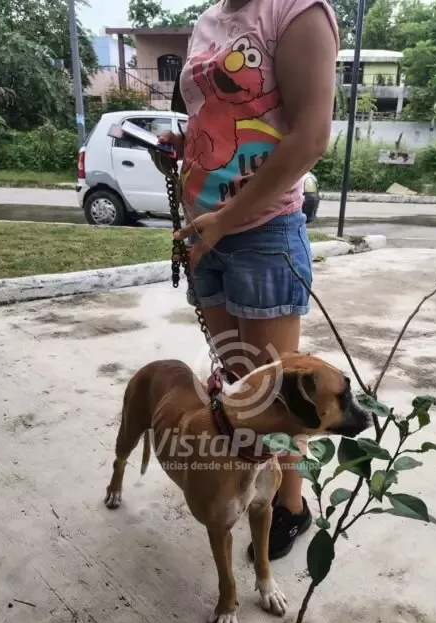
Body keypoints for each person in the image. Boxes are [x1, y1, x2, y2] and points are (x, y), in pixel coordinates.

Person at [160, 0, 339, 560]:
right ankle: (250, 483)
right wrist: (187, 148)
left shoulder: (295, 10)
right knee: (239, 383)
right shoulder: (208, 20)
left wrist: (227, 218)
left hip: (262, 231)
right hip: (204, 228)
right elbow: (220, 117)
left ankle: (291, 505)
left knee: (279, 394)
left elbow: (311, 136)